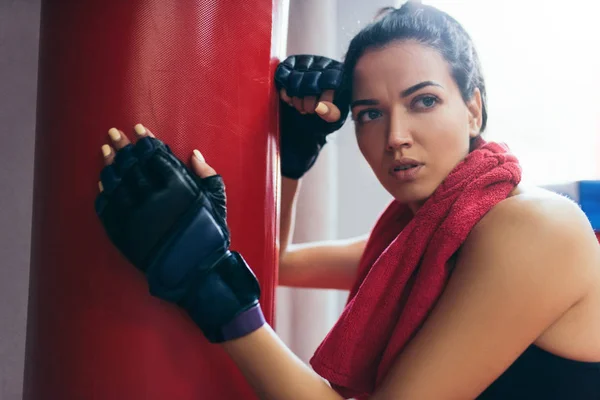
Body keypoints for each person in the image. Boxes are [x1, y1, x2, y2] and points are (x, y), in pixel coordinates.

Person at [94, 2, 600, 399]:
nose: (396, 136)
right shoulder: (423, 239)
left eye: (424, 101)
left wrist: (210, 284)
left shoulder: (534, 229)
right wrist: (290, 155)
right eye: (369, 114)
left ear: (473, 109)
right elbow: (279, 263)